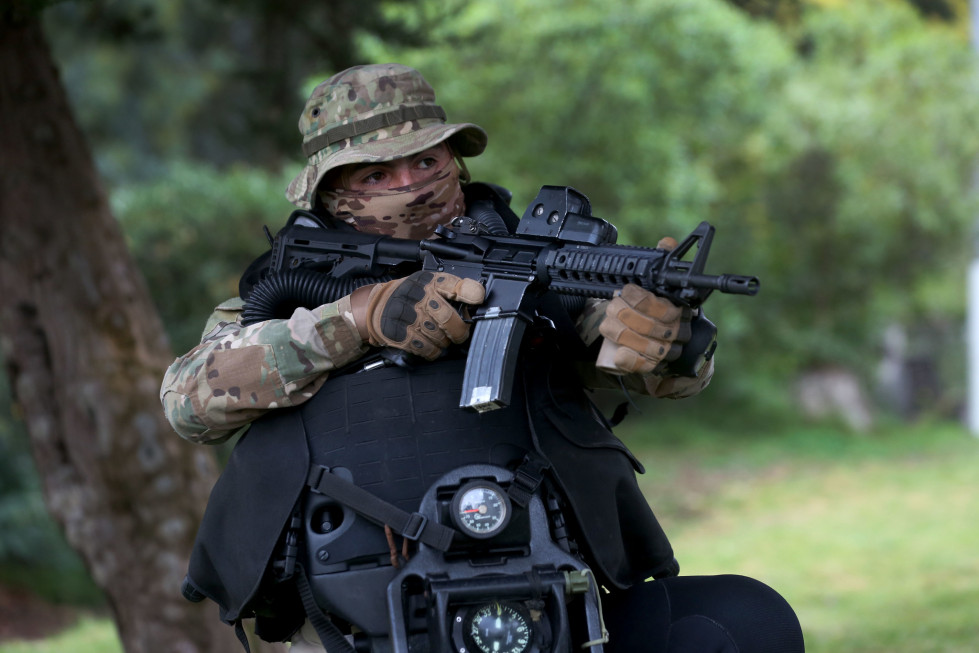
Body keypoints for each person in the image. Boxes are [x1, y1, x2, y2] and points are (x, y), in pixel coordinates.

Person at [162, 63, 804, 652]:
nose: (410, 185)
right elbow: (188, 402)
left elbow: (659, 373)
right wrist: (357, 320)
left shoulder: (536, 273)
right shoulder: (287, 296)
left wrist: (661, 337)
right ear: (331, 195)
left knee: (741, 622)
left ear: (456, 162)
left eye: (426, 161)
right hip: (348, 614)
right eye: (377, 175)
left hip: (546, 589)